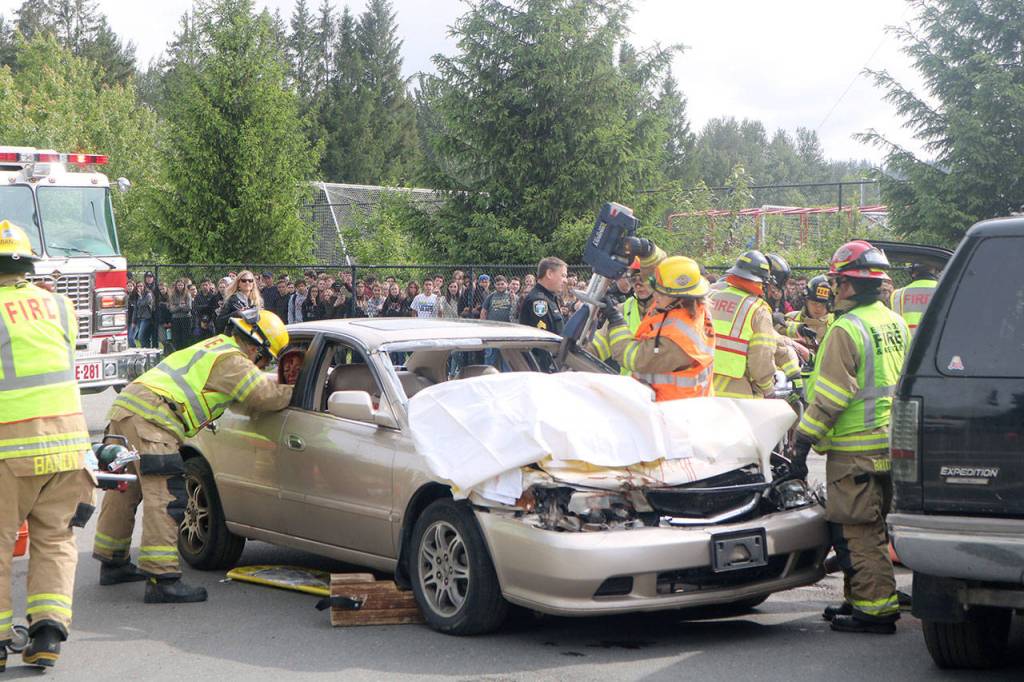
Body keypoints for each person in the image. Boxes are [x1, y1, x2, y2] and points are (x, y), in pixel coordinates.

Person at [92, 310, 294, 604]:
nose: (263, 363)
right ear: (256, 347)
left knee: (125, 490)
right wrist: (295, 390)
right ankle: (162, 579)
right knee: (166, 496)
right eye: (266, 357)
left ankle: (113, 562)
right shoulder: (234, 361)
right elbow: (264, 396)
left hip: (125, 411)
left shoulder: (215, 346)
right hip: (153, 420)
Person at [790, 240, 909, 635]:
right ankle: (859, 598)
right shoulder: (890, 321)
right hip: (887, 445)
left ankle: (874, 611)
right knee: (865, 527)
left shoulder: (846, 329)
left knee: (858, 532)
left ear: (851, 286)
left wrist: (802, 442)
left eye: (839, 282)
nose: (835, 289)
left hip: (853, 449)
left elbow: (833, 397)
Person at [0, 221, 96, 670]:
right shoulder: (60, 306)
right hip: (68, 445)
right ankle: (47, 633)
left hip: (9, 445)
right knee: (56, 538)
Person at [599, 245, 715, 400]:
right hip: (680, 406)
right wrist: (647, 250)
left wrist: (616, 322)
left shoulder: (676, 340)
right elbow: (659, 271)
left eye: (662, 292)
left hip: (672, 411)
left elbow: (634, 358)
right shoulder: (689, 307)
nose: (655, 295)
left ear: (680, 297)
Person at [707, 251, 779, 399]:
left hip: (701, 387)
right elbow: (761, 356)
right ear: (761, 282)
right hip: (735, 394)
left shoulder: (709, 297)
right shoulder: (758, 309)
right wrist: (768, 388)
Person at [778, 274, 833, 349]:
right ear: (806, 301)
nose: (818, 308)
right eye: (814, 303)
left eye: (823, 305)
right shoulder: (790, 318)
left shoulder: (835, 323)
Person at [889, 262, 939, 337]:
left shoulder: (898, 294)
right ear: (935, 270)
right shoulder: (945, 291)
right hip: (936, 343)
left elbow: (895, 326)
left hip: (909, 346)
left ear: (913, 273)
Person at [519, 258, 567, 334]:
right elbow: (543, 340)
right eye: (563, 275)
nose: (565, 280)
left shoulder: (550, 298)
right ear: (549, 274)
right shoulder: (538, 301)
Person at [168, 279, 193, 353]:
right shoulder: (172, 295)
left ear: (184, 285)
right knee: (177, 338)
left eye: (181, 285)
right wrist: (180, 306)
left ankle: (186, 353)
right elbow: (171, 310)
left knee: (185, 338)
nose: (180, 286)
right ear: (176, 286)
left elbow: (189, 308)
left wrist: (176, 307)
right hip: (175, 319)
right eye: (178, 285)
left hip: (186, 318)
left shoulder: (187, 294)